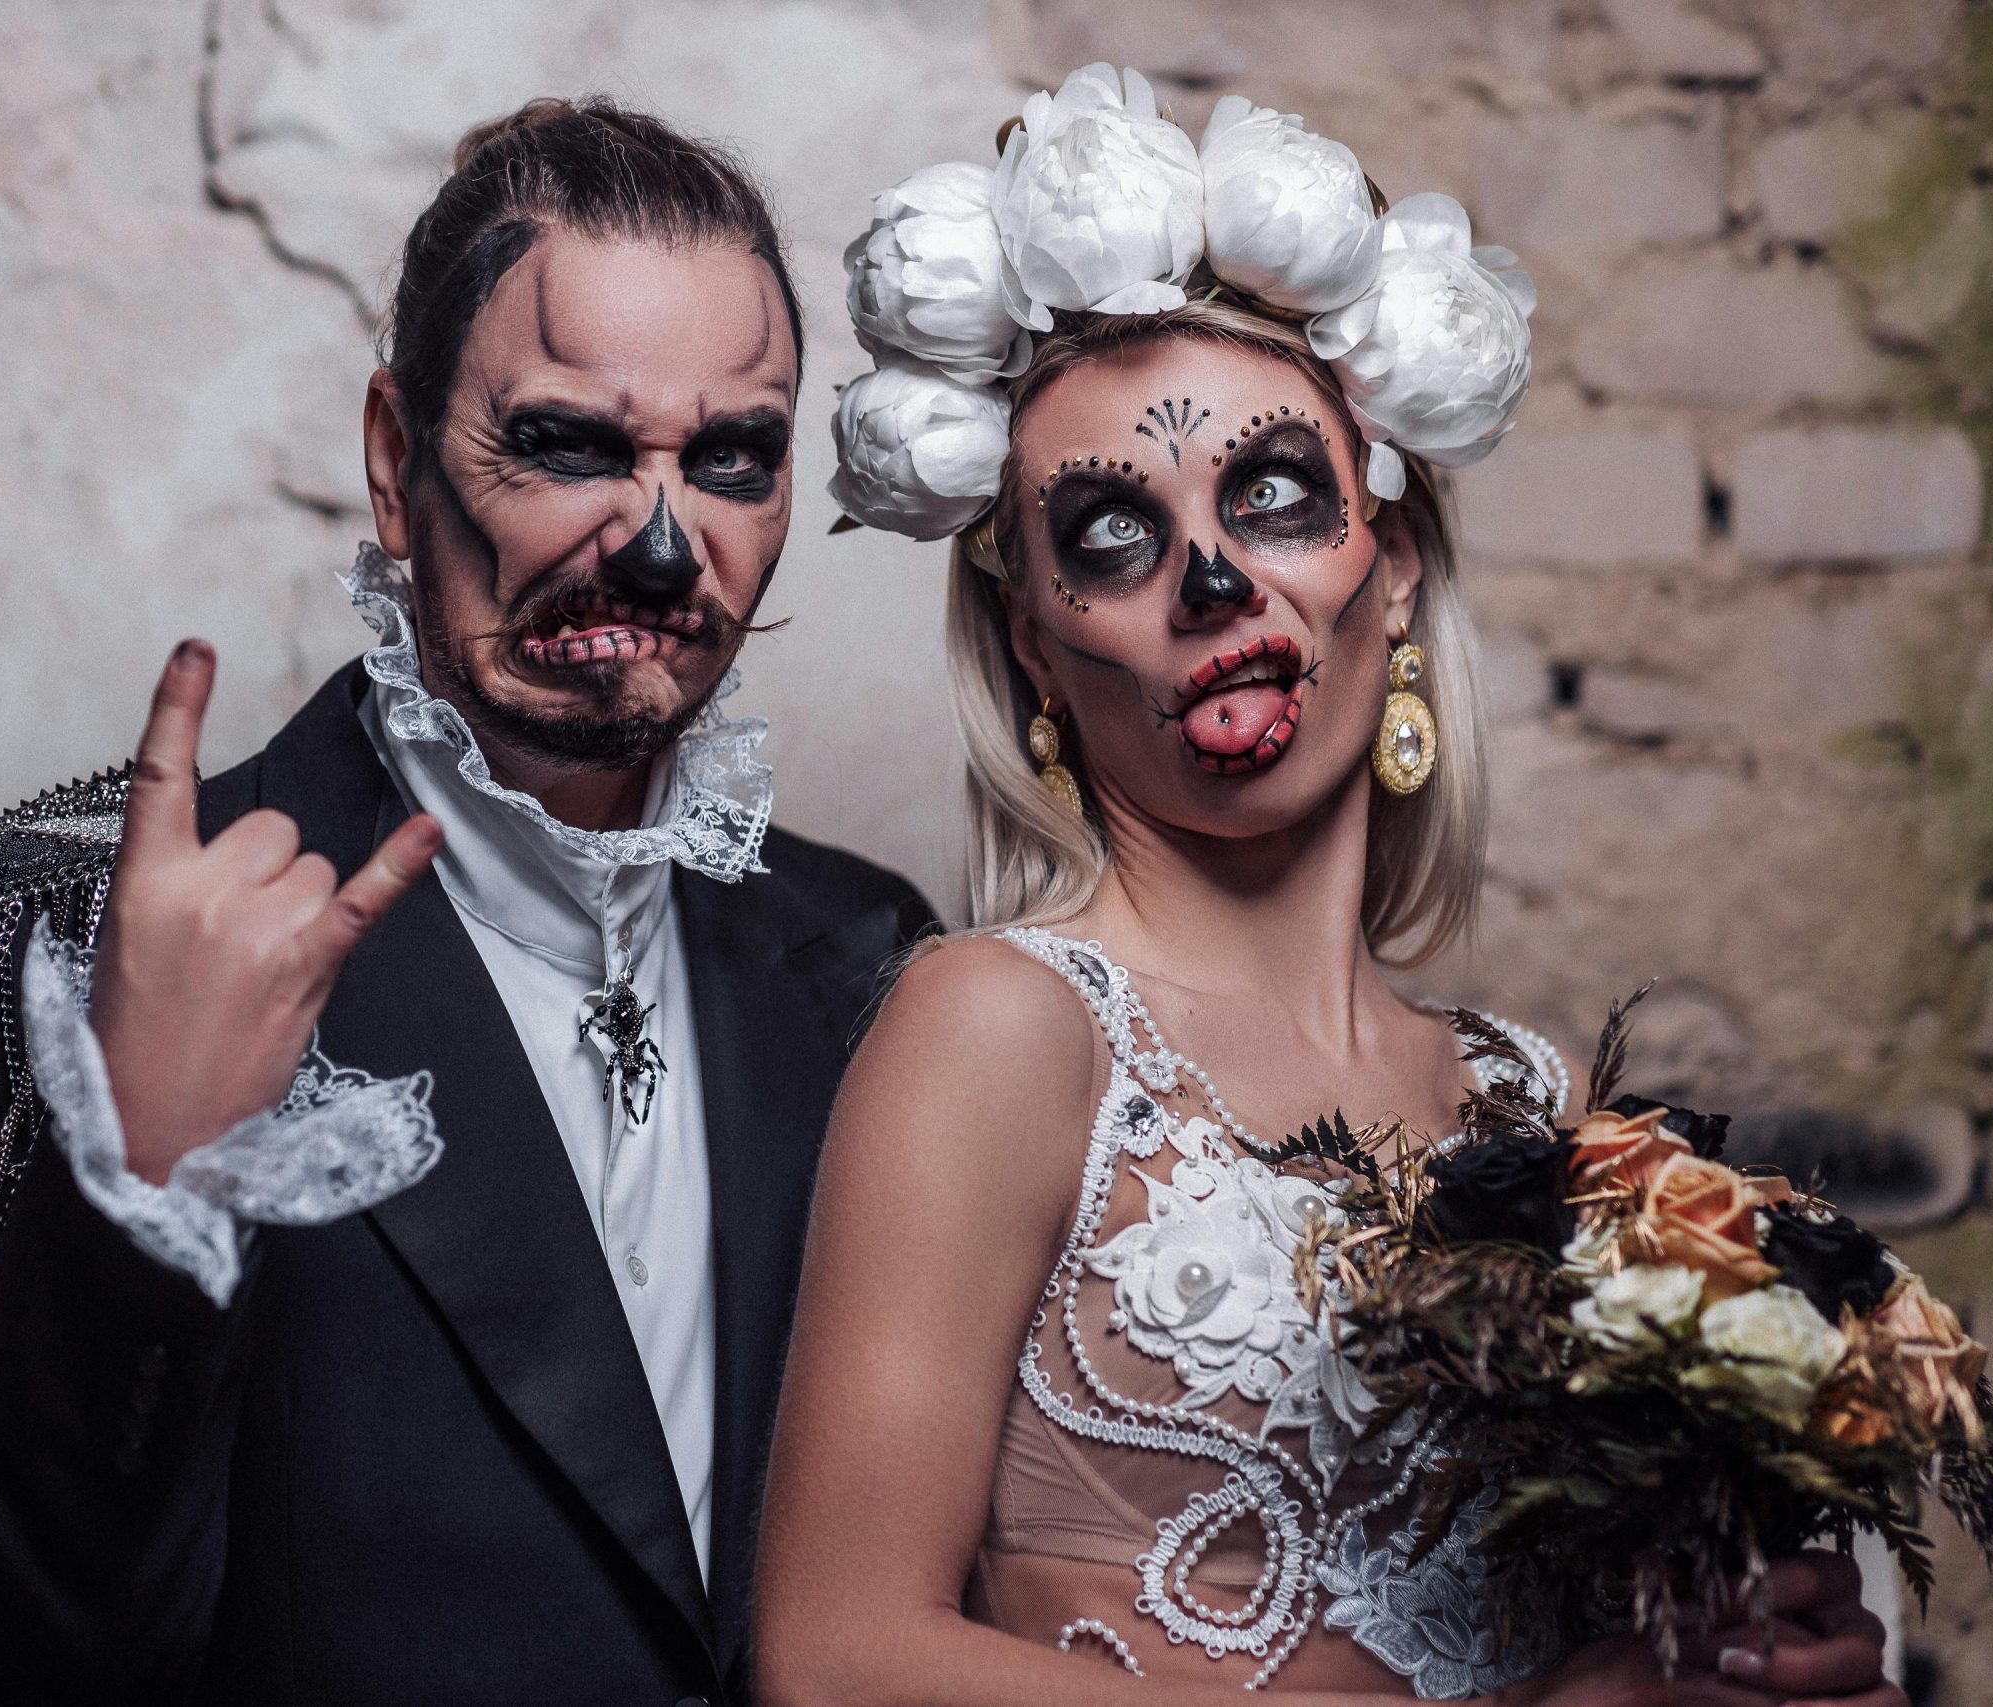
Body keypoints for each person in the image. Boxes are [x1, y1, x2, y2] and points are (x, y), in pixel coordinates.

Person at [756, 65, 1903, 1705]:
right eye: (1109, 535)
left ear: (1399, 550)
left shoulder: (1528, 1098)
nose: (1214, 583)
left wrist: (1744, 1644)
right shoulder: (997, 1031)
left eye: (1273, 496)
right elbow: (833, 1661)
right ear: (1034, 646)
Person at [0, 98, 933, 1706]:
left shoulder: (873, 965)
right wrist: (145, 1181)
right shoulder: (80, 942)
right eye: (568, 442)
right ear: (393, 459)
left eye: (729, 458)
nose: (658, 545)